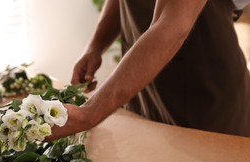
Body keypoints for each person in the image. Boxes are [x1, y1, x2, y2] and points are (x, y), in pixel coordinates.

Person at [49, 0, 250, 140]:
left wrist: (90, 113)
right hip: (142, 87)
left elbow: (171, 24)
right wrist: (95, 46)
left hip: (204, 95)